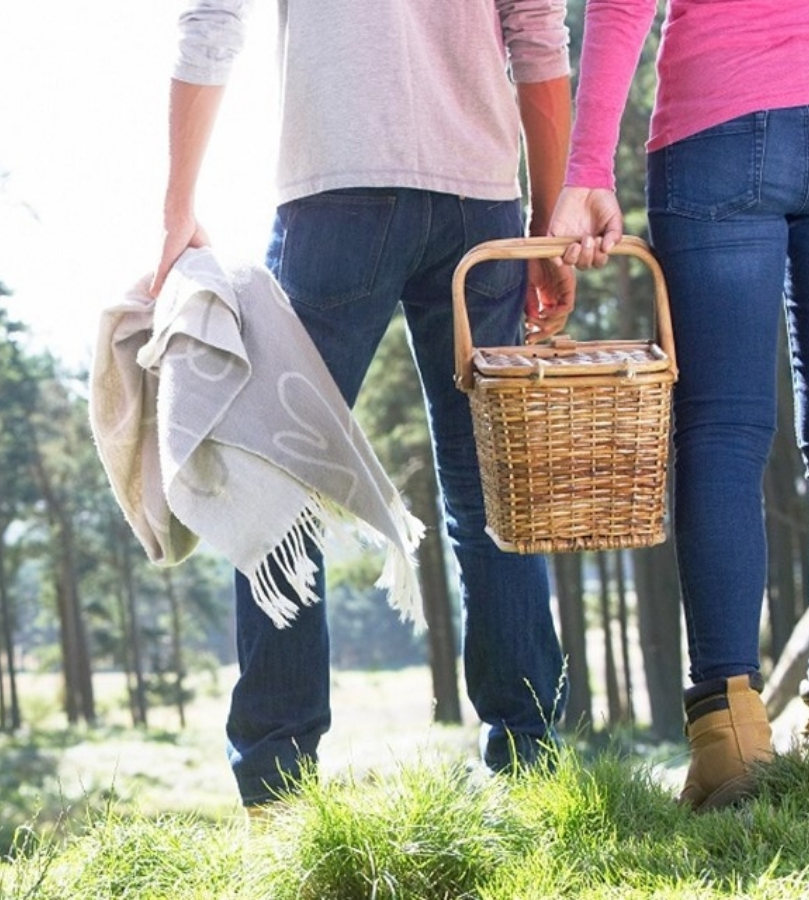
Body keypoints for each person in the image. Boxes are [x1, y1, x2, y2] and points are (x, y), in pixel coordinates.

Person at [151, 0, 577, 810]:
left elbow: (211, 18)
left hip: (338, 193)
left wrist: (177, 209)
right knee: (492, 492)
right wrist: (548, 218)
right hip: (480, 200)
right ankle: (530, 772)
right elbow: (537, 27)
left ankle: (279, 791)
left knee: (275, 483)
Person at [550, 0, 809, 810]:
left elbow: (621, 6)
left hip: (715, 121)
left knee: (722, 432)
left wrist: (586, 170)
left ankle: (728, 741)